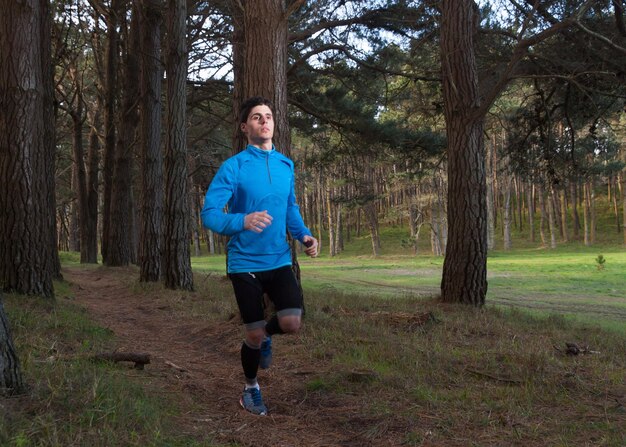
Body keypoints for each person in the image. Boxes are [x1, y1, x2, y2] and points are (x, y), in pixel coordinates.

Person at [201, 96, 318, 416]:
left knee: (292, 321)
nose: (264, 121)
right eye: (256, 117)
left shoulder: (285, 165)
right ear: (244, 127)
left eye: (268, 116)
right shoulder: (234, 167)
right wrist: (242, 221)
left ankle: (266, 335)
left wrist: (303, 234)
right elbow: (209, 214)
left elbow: (290, 208)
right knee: (252, 333)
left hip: (279, 259)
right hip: (244, 263)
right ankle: (251, 388)